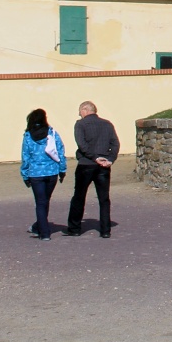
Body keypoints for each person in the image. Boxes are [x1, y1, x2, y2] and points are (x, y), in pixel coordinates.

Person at [64, 100, 120, 238]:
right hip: (103, 166)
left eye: (80, 111)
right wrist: (110, 159)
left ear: (85, 110)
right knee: (104, 198)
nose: (79, 114)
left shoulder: (81, 124)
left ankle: (74, 228)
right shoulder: (107, 124)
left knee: (79, 196)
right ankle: (105, 230)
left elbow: (82, 144)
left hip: (86, 164)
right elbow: (115, 143)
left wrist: (94, 157)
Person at [20, 108, 66, 241]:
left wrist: (25, 175)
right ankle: (38, 226)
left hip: (35, 173)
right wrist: (62, 170)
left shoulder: (28, 136)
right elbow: (60, 151)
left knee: (40, 202)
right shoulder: (52, 133)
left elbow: (26, 157)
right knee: (45, 201)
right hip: (52, 172)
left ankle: (44, 232)